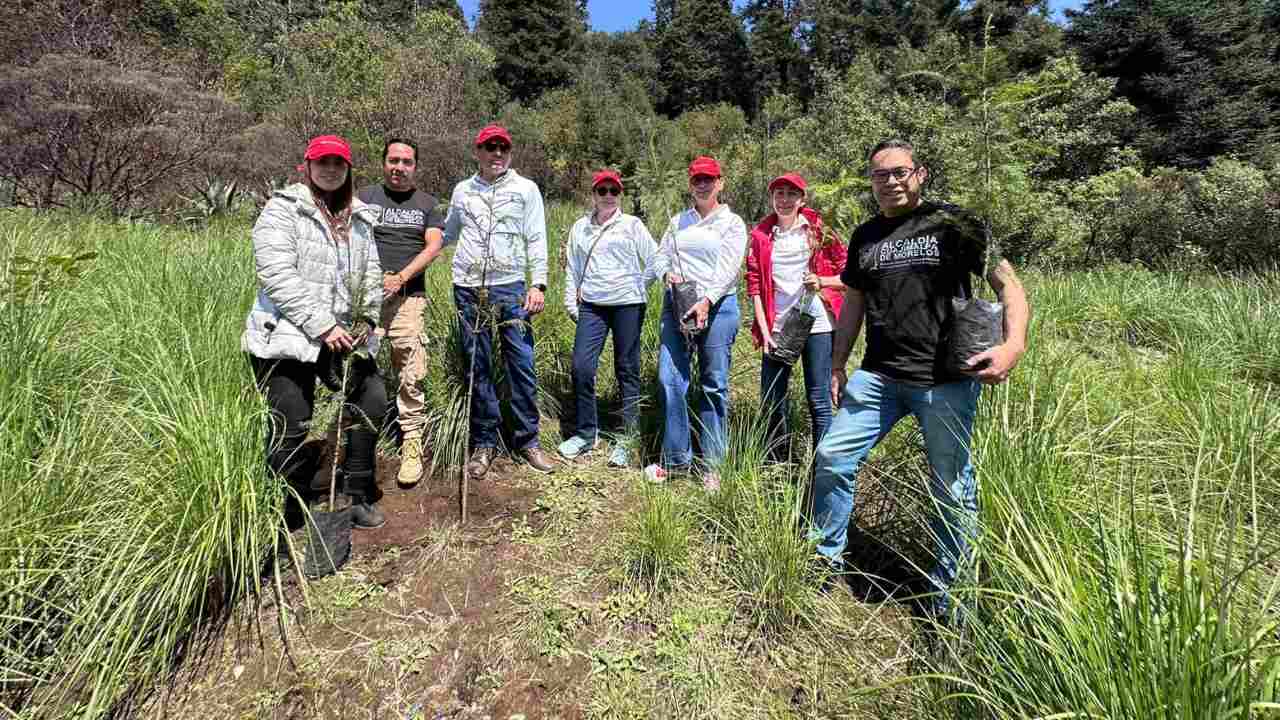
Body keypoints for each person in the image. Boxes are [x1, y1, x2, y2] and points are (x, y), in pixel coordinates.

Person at [809, 139, 1030, 618]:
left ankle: (952, 595)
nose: (890, 181)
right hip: (878, 376)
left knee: (951, 484)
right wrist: (835, 363)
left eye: (899, 172)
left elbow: (1008, 284)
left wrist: (1014, 345)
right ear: (870, 181)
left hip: (945, 380)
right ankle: (823, 559)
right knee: (831, 456)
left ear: (920, 174)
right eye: (879, 175)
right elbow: (854, 304)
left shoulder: (953, 224)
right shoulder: (865, 236)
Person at [241, 134, 388, 529]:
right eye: (321, 162)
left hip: (343, 336)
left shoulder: (359, 218)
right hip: (288, 335)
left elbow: (371, 275)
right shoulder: (282, 210)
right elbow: (276, 274)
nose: (330, 169)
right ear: (305, 166)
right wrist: (323, 325)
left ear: (348, 169)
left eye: (338, 163)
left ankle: (357, 493)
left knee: (371, 398)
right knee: (292, 421)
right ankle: (283, 512)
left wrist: (367, 319)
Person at [443, 123, 556, 478]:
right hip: (468, 288)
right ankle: (484, 443)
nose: (496, 154)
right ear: (477, 152)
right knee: (478, 366)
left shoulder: (525, 189)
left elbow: (536, 237)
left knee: (521, 364)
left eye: (502, 148)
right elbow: (448, 232)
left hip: (510, 288)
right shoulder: (463, 190)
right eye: (489, 147)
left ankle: (528, 441)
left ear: (510, 153)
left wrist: (538, 284)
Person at [647, 156, 749, 492]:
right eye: (697, 180)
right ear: (690, 185)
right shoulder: (678, 221)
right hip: (677, 304)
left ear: (720, 183)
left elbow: (730, 267)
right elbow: (660, 256)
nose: (703, 185)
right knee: (670, 379)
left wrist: (706, 300)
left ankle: (713, 465)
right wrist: (667, 275)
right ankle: (676, 459)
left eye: (709, 179)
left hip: (718, 308)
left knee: (713, 384)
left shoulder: (731, 223)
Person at [357, 138, 445, 488]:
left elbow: (434, 245)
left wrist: (400, 278)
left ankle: (411, 441)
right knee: (360, 365)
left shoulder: (426, 204)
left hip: (409, 297)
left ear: (415, 166)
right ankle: (357, 437)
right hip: (365, 297)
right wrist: (374, 279)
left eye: (407, 161)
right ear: (383, 163)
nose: (399, 167)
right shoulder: (365, 197)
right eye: (393, 160)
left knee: (410, 368)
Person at [560, 169, 658, 468]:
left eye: (613, 191)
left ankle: (628, 439)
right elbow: (573, 268)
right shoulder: (580, 227)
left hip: (628, 305)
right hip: (592, 305)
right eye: (602, 191)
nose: (608, 196)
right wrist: (569, 300)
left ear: (620, 195)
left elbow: (656, 258)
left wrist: (639, 285)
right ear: (594, 195)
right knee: (581, 366)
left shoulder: (632, 225)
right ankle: (586, 433)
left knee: (627, 369)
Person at [745, 173, 847, 459]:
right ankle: (779, 461)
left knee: (819, 398)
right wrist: (764, 330)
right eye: (779, 194)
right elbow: (754, 284)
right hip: (778, 327)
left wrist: (823, 282)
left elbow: (849, 273)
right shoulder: (761, 236)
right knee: (773, 398)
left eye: (792, 194)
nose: (785, 200)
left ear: (802, 199)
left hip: (818, 324)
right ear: (772, 199)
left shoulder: (819, 232)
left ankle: (823, 462)